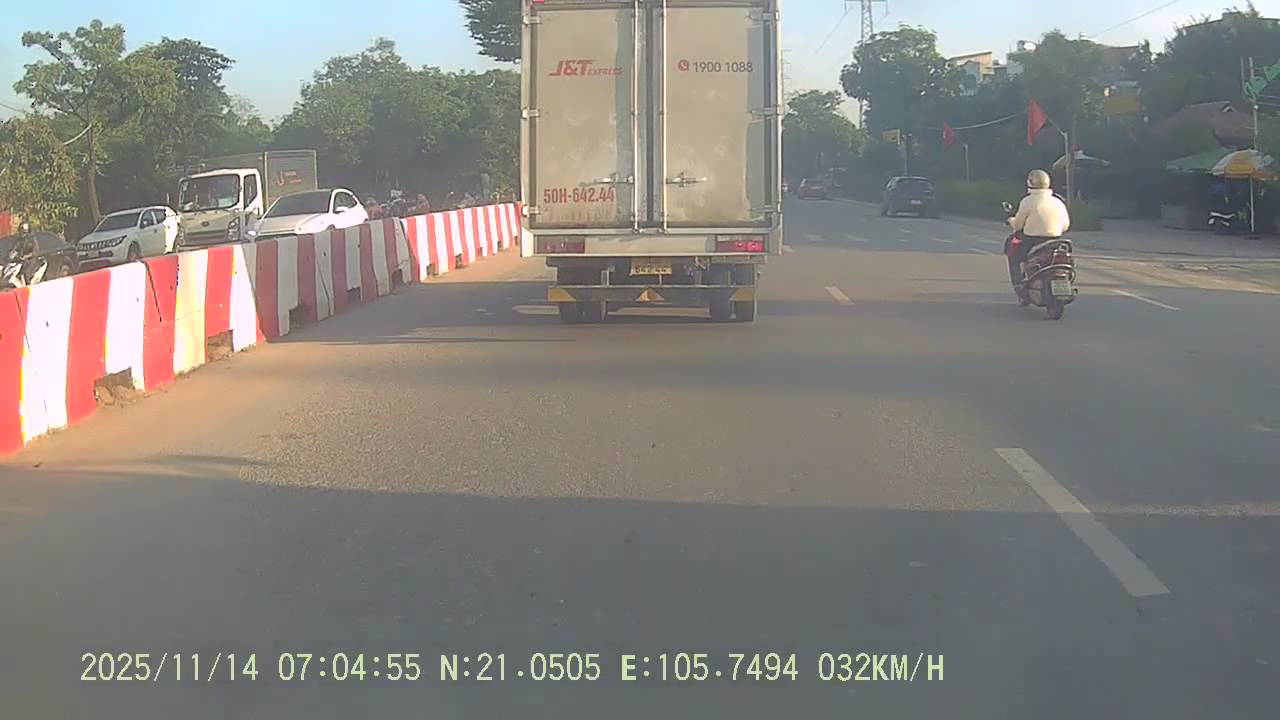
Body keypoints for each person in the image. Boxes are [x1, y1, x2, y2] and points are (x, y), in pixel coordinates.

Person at [1006, 169, 1070, 292]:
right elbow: (1066, 225)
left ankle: (1019, 285)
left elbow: (1018, 226)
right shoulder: (1058, 201)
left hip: (1032, 241)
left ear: (1029, 182)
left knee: (1014, 255)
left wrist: (1011, 220)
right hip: (1055, 241)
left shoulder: (1027, 201)